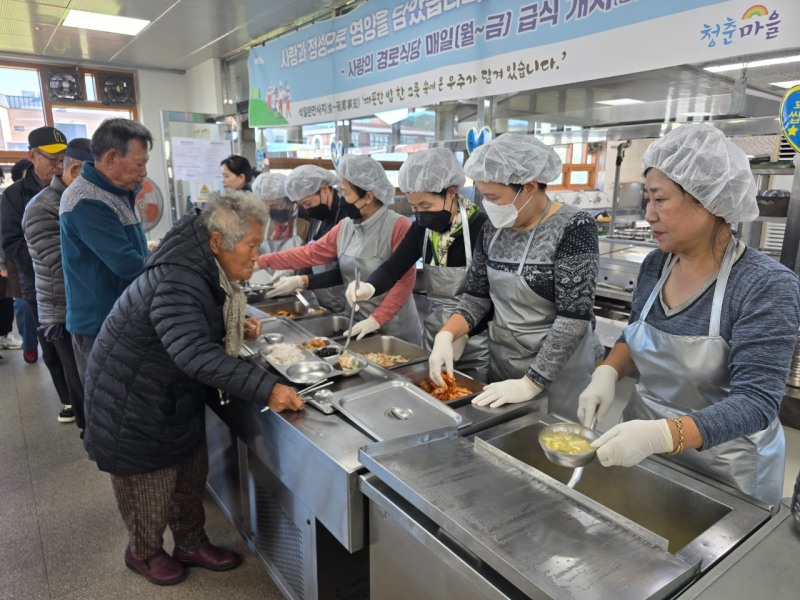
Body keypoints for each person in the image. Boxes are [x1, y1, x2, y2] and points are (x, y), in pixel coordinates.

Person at [83, 191, 304, 586]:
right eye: (252, 246)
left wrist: (229, 327)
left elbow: (193, 327)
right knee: (149, 489)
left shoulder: (202, 268)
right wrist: (266, 388)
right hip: (132, 403)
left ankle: (189, 541)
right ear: (217, 243)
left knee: (188, 474)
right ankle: (144, 552)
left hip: (168, 395)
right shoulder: (177, 279)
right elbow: (193, 353)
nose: (257, 257)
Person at [577, 124, 800, 510]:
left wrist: (662, 435)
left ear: (707, 200)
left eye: (659, 199)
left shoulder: (764, 285)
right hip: (645, 448)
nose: (648, 214)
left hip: (728, 471)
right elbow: (638, 333)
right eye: (647, 199)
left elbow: (756, 402)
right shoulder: (655, 265)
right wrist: (608, 372)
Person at [429, 134, 599, 414]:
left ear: (529, 186)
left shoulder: (575, 227)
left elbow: (573, 319)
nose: (488, 205)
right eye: (484, 196)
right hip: (504, 361)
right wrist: (447, 334)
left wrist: (531, 383)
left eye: (494, 197)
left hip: (559, 372)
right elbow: (477, 296)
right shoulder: (493, 230)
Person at [345, 148, 491, 381]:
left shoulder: (481, 228)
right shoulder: (423, 229)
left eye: (425, 206)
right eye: (414, 208)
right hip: (434, 334)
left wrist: (463, 333)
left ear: (450, 192)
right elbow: (394, 267)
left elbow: (490, 295)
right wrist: (369, 287)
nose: (420, 214)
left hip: (475, 338)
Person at [257, 155, 422, 344]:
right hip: (358, 322)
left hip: (395, 328)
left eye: (345, 192)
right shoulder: (345, 226)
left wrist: (376, 319)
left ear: (368, 196)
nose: (341, 198)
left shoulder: (398, 225)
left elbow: (404, 282)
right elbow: (310, 253)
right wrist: (262, 261)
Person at [60, 118, 151, 384]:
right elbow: (127, 264)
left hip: (122, 315)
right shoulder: (86, 200)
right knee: (109, 408)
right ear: (111, 158)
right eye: (139, 163)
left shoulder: (116, 191)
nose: (144, 172)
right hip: (99, 324)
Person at [23, 138, 92, 432]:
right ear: (75, 170)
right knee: (77, 378)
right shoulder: (42, 207)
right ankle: (90, 435)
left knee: (93, 375)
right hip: (63, 309)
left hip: (86, 302)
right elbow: (57, 262)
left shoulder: (82, 199)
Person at [2, 132, 67, 365]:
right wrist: (46, 266)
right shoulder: (13, 195)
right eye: (53, 160)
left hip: (71, 280)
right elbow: (11, 241)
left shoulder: (69, 189)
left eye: (63, 159)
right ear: (32, 155)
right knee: (53, 349)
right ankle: (68, 401)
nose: (59, 166)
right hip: (36, 283)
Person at [274, 164, 348, 313]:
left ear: (325, 190)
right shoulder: (318, 216)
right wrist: (296, 274)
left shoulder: (345, 217)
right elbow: (311, 252)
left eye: (307, 203)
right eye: (302, 205)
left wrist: (304, 281)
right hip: (325, 303)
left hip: (347, 302)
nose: (307, 209)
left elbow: (347, 271)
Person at [251, 171, 309, 257]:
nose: (273, 211)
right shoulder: (261, 225)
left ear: (290, 200)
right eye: (268, 207)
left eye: (278, 205)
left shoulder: (305, 222)